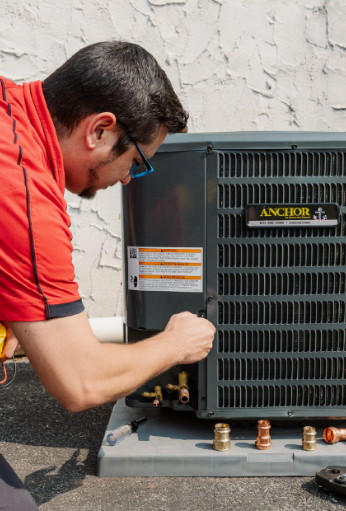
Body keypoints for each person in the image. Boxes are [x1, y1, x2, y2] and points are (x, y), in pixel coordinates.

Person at [0, 41, 215, 510]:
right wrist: (176, 343)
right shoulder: (24, 192)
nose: (126, 179)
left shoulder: (9, 105)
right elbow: (80, 383)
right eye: (136, 162)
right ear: (100, 129)